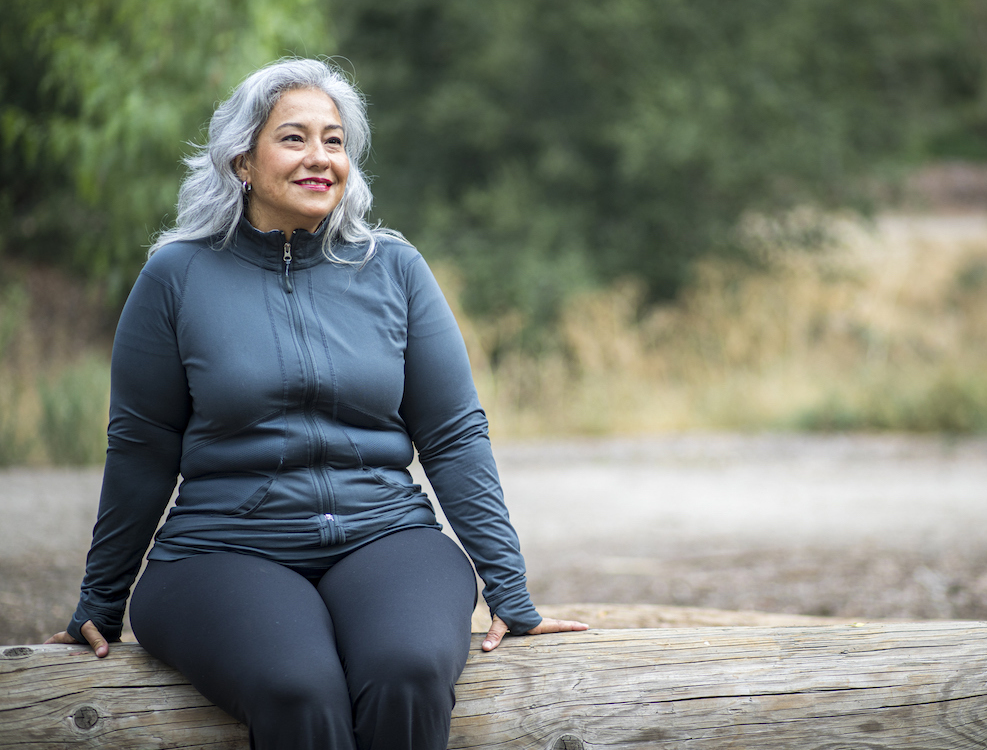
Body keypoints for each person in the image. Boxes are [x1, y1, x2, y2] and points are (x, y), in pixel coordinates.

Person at [46, 57, 587, 750]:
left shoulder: (393, 268)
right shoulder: (176, 276)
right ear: (242, 159)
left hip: (385, 534)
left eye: (334, 141)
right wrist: (100, 598)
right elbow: (142, 448)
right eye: (294, 138)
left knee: (407, 670)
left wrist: (510, 591)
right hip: (224, 548)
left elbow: (453, 435)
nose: (320, 158)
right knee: (299, 688)